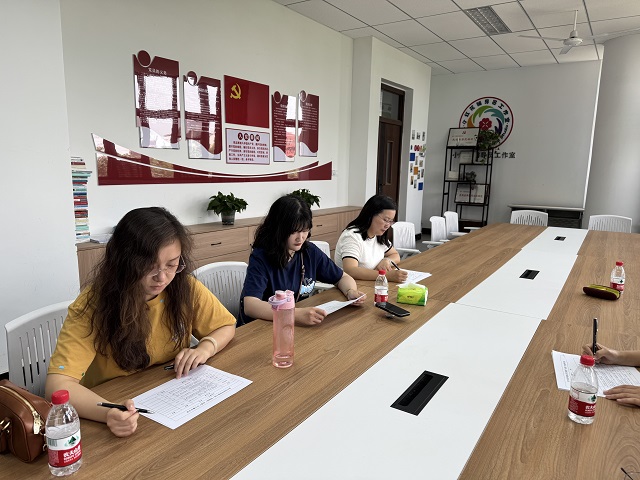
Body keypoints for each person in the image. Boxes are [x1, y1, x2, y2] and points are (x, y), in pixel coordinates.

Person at [46, 207, 236, 437]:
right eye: (149, 266)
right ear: (123, 262)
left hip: (168, 400)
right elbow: (58, 385)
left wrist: (206, 347)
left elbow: (225, 325)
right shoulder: (94, 305)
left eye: (171, 265)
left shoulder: (184, 288)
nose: (162, 278)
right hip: (113, 404)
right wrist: (108, 413)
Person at [240, 195, 365, 326]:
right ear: (278, 229)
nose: (300, 238)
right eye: (294, 231)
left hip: (291, 324)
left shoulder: (309, 252)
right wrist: (295, 314)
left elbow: (342, 277)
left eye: (305, 230)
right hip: (261, 326)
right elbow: (251, 305)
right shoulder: (261, 257)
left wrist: (350, 291)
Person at [334, 194, 408, 283]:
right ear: (371, 215)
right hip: (352, 285)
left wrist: (387, 260)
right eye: (385, 220)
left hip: (371, 283)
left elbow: (395, 255)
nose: (387, 225)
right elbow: (351, 270)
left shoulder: (378, 234)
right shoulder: (352, 236)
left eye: (390, 221)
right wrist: (386, 276)